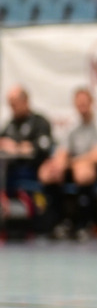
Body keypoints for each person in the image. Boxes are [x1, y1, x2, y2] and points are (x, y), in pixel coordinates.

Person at [37, 87, 97, 240]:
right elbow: (62, 151)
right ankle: (59, 223)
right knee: (49, 173)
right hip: (78, 166)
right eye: (79, 104)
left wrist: (69, 163)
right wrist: (57, 165)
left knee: (83, 172)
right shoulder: (73, 125)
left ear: (92, 103)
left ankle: (84, 224)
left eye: (85, 103)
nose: (82, 107)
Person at [0, 85, 52, 227]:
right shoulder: (11, 124)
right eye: (10, 105)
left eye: (15, 104)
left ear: (25, 101)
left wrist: (17, 147)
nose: (13, 108)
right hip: (10, 172)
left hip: (33, 171)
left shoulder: (39, 122)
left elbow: (42, 147)